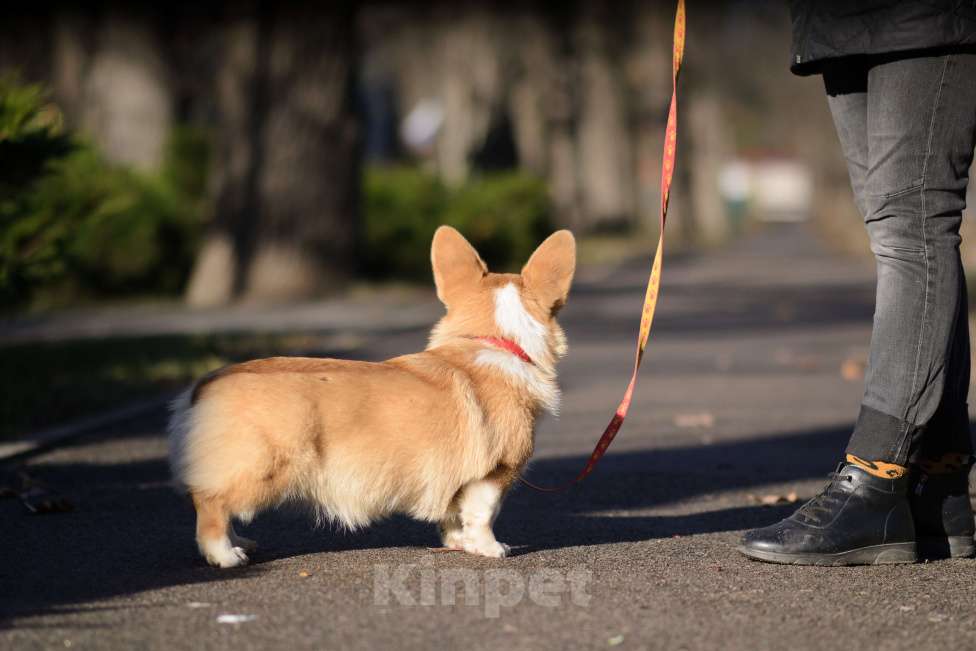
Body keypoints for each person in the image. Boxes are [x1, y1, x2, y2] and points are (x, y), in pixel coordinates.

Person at [739, 1, 976, 565]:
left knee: (911, 225)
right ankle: (937, 486)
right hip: (837, 22)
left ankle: (875, 477)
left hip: (929, 17)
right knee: (897, 229)